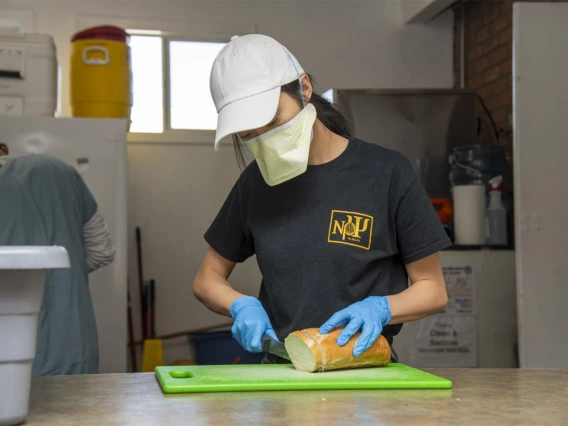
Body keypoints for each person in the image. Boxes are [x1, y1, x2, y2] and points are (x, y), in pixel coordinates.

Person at [193, 34, 451, 363]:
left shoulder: (386, 172)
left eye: (273, 122)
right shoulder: (255, 184)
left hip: (365, 377)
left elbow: (433, 289)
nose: (265, 139)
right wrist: (238, 304)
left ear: (304, 89)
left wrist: (381, 308)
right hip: (283, 372)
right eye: (248, 135)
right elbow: (207, 278)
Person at [0, 142, 115, 375]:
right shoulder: (59, 170)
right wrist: (60, 276)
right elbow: (102, 250)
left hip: (9, 357)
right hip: (73, 352)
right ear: (4, 147)